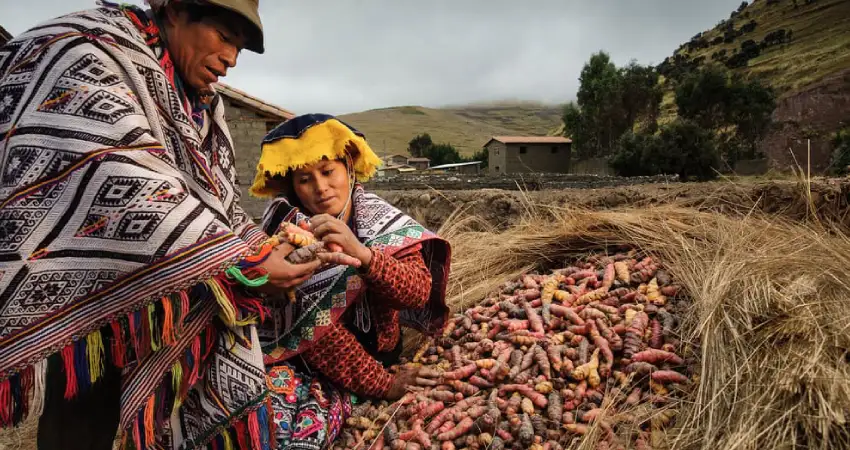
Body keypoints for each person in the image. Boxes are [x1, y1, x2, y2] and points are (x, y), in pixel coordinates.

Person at [0, 1, 313, 449]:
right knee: (83, 411)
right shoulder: (90, 52)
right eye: (224, 37)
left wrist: (256, 247)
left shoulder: (200, 105)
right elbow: (119, 174)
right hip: (80, 279)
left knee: (142, 417)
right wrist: (244, 260)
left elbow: (215, 199)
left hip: (155, 296)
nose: (231, 59)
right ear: (176, 12)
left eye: (239, 48)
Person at [250, 113, 451, 449]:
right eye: (304, 179)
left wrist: (364, 255)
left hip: (379, 352)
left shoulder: (378, 219)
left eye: (328, 171)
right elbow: (312, 329)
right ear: (291, 187)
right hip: (304, 361)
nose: (320, 188)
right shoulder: (283, 237)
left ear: (349, 168)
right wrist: (383, 385)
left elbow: (418, 292)